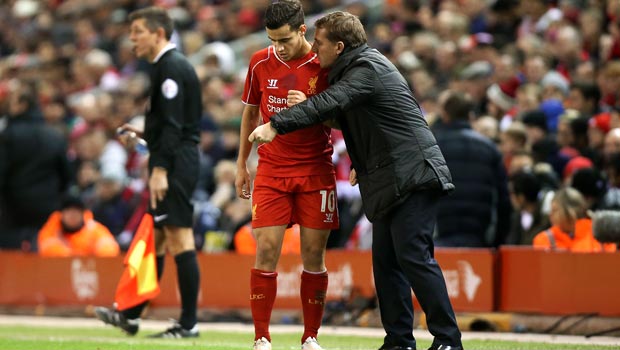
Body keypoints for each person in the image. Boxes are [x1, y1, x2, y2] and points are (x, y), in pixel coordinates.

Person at [249, 11, 463, 350]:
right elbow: (348, 114)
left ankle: (448, 339)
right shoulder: (353, 69)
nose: (314, 50)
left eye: (318, 44)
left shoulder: (366, 67)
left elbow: (335, 101)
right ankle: (399, 341)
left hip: (413, 175)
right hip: (389, 177)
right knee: (387, 265)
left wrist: (276, 124)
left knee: (415, 258)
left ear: (339, 45)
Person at [235, 2, 338, 350]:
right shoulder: (259, 62)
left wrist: (311, 104)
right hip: (272, 169)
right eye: (272, 39)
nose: (278, 47)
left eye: (284, 39)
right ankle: (261, 338)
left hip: (315, 170)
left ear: (302, 31)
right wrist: (241, 165)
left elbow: (340, 120)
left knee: (313, 255)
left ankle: (310, 337)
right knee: (265, 250)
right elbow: (250, 115)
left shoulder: (323, 64)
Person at [94, 6, 201, 339]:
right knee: (155, 240)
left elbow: (173, 127)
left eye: (138, 31)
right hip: (175, 157)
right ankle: (132, 314)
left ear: (158, 33)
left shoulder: (170, 68)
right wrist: (145, 134)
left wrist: (159, 168)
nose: (131, 38)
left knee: (179, 238)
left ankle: (188, 324)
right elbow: (174, 123)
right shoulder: (168, 67)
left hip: (175, 163)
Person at [433, 90, 512, 248]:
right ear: (470, 115)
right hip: (480, 239)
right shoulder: (490, 149)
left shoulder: (432, 147)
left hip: (438, 236)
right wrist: (497, 241)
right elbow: (503, 201)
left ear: (445, 115)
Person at [0, 80, 72, 252]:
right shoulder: (54, 135)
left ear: (23, 105)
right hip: (48, 205)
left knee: (13, 258)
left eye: (13, 102)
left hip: (13, 208)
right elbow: (67, 175)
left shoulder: (8, 135)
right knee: (46, 250)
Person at [38, 195, 120, 257]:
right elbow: (47, 249)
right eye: (68, 211)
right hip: (59, 272)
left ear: (83, 213)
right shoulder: (52, 228)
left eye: (76, 211)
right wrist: (74, 256)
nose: (72, 215)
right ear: (62, 213)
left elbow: (110, 249)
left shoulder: (93, 228)